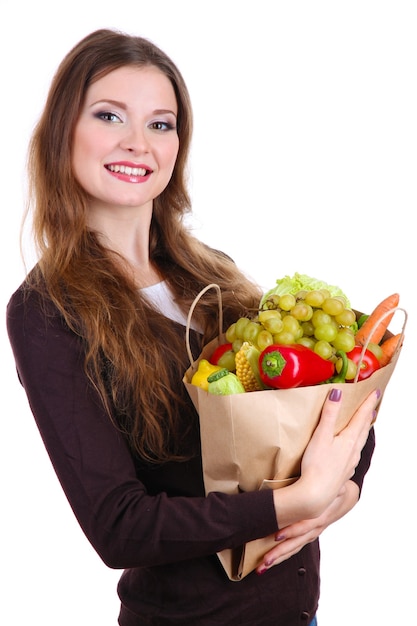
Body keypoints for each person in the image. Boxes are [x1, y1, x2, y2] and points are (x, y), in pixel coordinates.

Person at [6, 28, 378, 626]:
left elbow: (328, 403)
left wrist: (341, 496)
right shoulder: (47, 310)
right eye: (109, 116)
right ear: (61, 134)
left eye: (161, 123)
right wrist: (294, 501)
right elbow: (119, 527)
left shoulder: (213, 275)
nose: (138, 143)